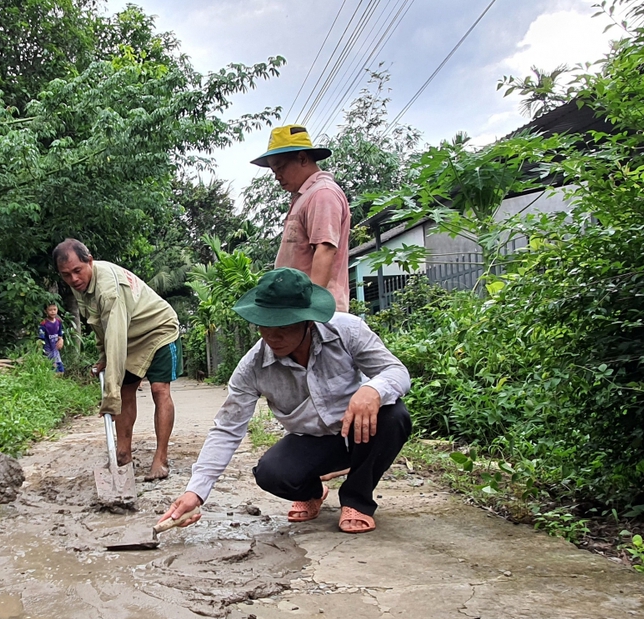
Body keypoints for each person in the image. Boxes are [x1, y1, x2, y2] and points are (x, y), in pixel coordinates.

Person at [159, 268, 411, 534]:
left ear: (309, 322)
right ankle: (313, 492)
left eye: (283, 327)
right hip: (311, 440)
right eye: (265, 326)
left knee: (395, 416)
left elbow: (397, 372)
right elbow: (226, 430)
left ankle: (357, 499)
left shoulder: (347, 331)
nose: (272, 337)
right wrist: (195, 492)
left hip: (360, 430)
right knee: (271, 473)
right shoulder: (252, 368)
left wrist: (373, 390)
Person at [53, 238, 179, 481]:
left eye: (78, 271)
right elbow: (100, 325)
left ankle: (160, 458)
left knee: (159, 389)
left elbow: (116, 339)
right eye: (66, 275)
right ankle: (123, 456)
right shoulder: (79, 284)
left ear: (89, 261)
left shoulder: (109, 289)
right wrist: (103, 358)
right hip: (128, 333)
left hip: (158, 329)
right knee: (126, 389)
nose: (74, 279)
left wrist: (110, 398)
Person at [252, 124, 352, 313]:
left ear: (302, 158)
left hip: (314, 313)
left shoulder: (322, 194)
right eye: (273, 171)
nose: (277, 177)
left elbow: (325, 249)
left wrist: (313, 309)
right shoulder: (304, 196)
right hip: (297, 312)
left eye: (280, 167)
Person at [37, 303, 66, 373]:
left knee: (61, 369)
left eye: (54, 309)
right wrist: (39, 350)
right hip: (48, 350)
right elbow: (41, 339)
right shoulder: (43, 324)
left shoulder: (59, 322)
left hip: (55, 349)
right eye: (50, 310)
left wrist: (61, 340)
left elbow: (60, 334)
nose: (53, 311)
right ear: (45, 311)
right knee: (53, 368)